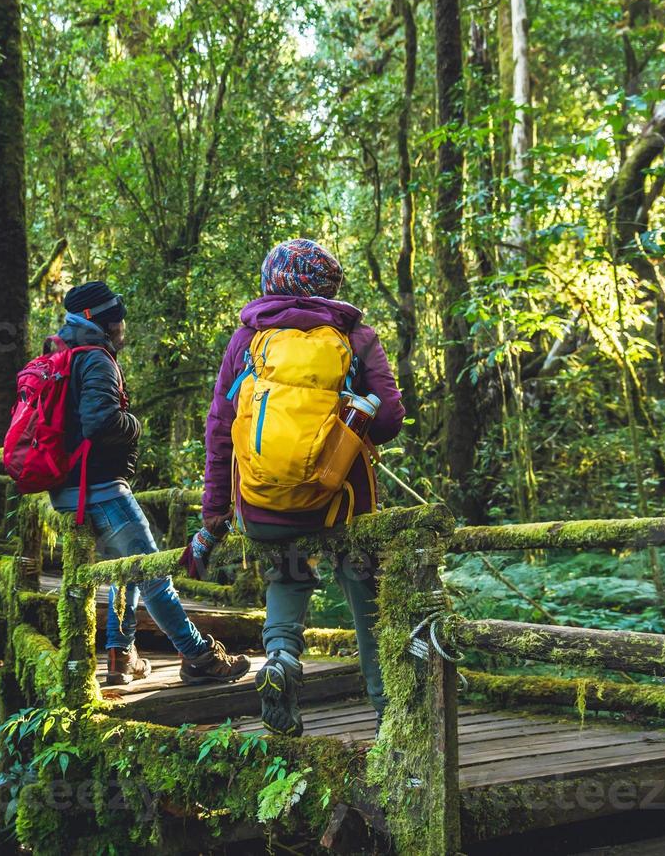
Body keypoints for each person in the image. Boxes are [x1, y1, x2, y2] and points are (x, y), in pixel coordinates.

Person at [185, 241, 404, 735]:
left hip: (263, 504)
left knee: (285, 574)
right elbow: (387, 419)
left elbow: (220, 430)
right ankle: (389, 710)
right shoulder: (356, 337)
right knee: (363, 587)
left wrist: (215, 509)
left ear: (273, 280)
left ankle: (281, 659)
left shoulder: (248, 339)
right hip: (342, 503)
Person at [46, 281, 249, 687]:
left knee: (130, 568)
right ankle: (198, 657)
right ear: (104, 321)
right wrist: (134, 426)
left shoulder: (63, 353)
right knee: (155, 573)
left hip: (71, 488)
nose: (123, 325)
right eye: (118, 318)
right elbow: (100, 422)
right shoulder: (97, 359)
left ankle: (121, 656)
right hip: (100, 489)